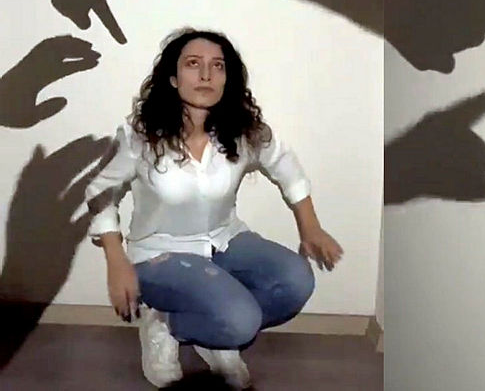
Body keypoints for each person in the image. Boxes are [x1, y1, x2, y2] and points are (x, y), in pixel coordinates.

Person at [85, 28, 343, 389]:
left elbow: (285, 164)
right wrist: (116, 261)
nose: (206, 74)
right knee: (241, 320)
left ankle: (210, 331)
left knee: (296, 281)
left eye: (217, 66)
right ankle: (165, 325)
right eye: (193, 64)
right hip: (159, 255)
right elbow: (99, 190)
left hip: (224, 240)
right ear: (173, 78)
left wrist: (310, 227)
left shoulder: (242, 131)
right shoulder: (139, 136)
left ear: (226, 79)